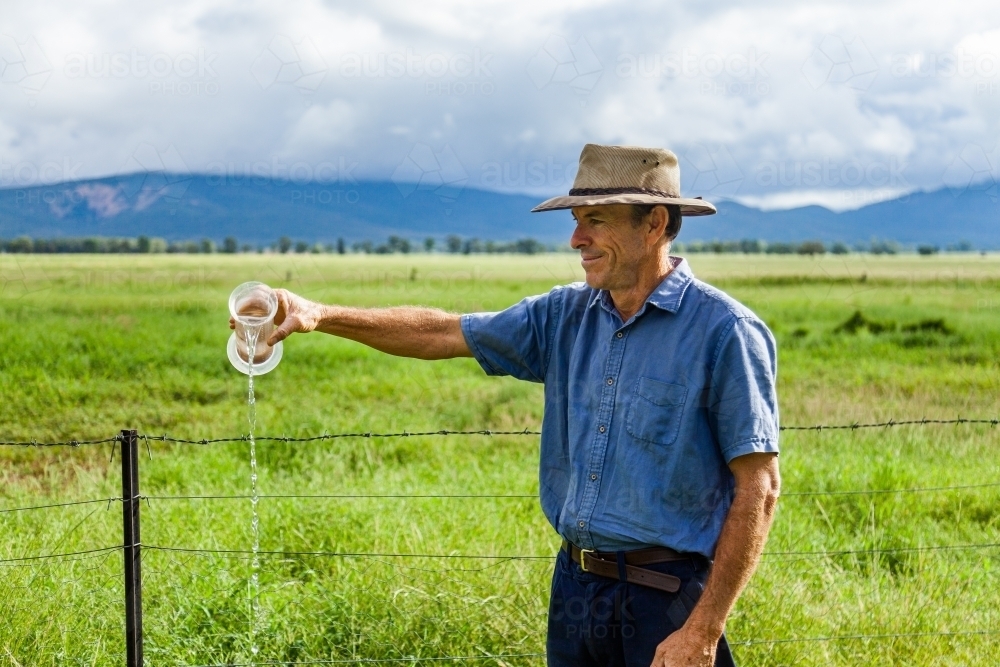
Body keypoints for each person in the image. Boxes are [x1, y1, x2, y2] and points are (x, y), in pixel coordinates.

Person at [233, 144, 780, 667]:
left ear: (655, 223)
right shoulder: (565, 315)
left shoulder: (724, 332)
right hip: (575, 586)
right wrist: (320, 314)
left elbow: (760, 488)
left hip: (668, 601)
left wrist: (703, 629)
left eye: (597, 221)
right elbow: (444, 333)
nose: (576, 239)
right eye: (575, 220)